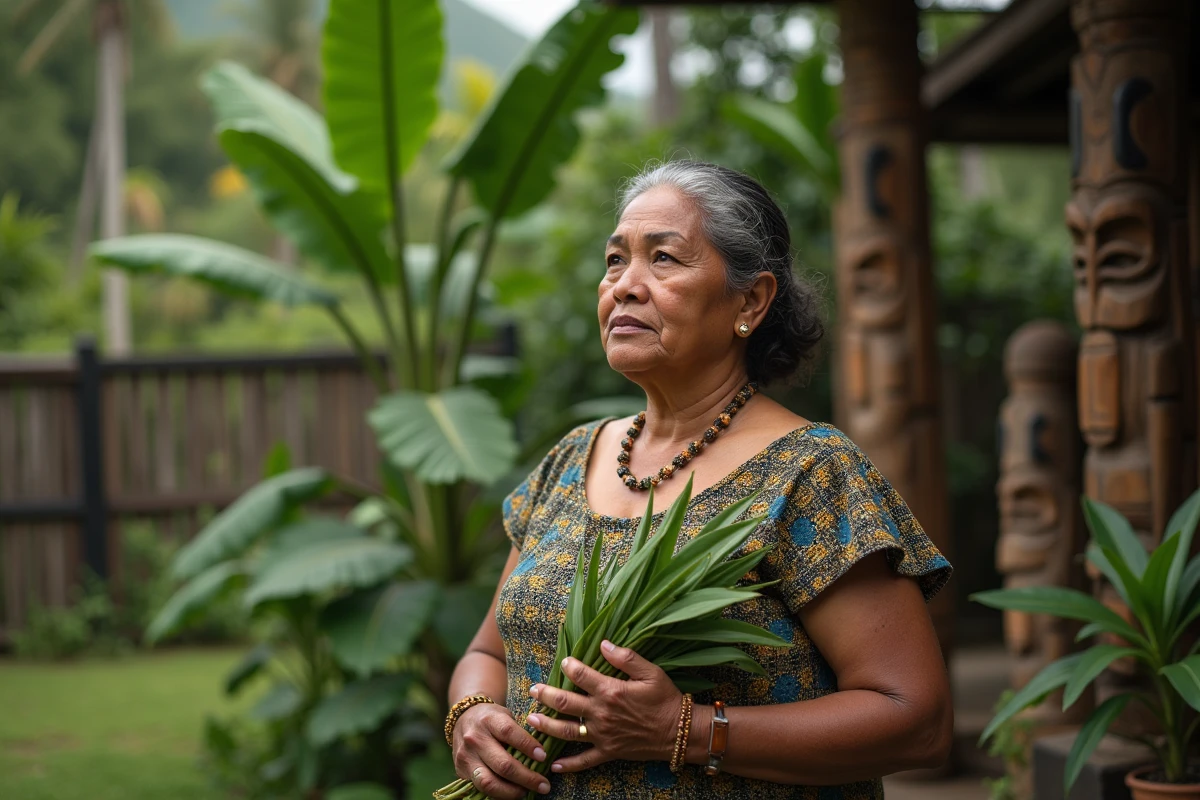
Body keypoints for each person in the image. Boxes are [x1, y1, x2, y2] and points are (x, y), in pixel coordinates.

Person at [443, 160, 953, 799]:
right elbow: (488, 655)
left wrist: (683, 730)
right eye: (614, 260)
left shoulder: (810, 473)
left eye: (663, 259)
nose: (624, 286)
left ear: (750, 300)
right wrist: (471, 716)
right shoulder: (572, 459)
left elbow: (916, 720)